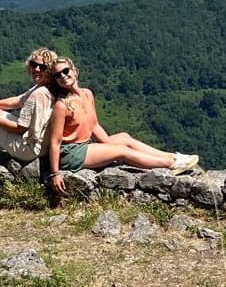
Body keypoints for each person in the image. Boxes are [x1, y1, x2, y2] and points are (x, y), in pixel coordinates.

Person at [45, 56, 199, 194]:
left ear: (75, 71)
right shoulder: (61, 105)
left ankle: (173, 156)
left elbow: (95, 126)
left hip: (85, 145)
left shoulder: (87, 94)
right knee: (122, 151)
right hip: (72, 153)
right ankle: (170, 165)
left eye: (65, 71)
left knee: (124, 137)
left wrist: (108, 145)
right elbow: (55, 142)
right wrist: (55, 173)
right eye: (58, 75)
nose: (63, 76)